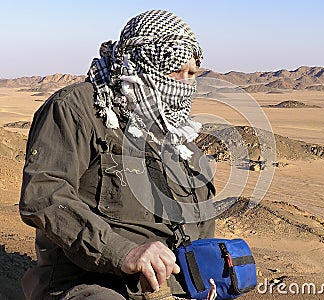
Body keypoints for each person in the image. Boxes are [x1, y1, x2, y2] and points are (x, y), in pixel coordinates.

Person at [19, 9, 216, 300]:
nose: (186, 85)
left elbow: (202, 224)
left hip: (173, 289)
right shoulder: (79, 109)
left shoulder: (179, 137)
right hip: (88, 283)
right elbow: (44, 194)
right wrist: (123, 252)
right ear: (144, 61)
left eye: (192, 74)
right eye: (178, 71)